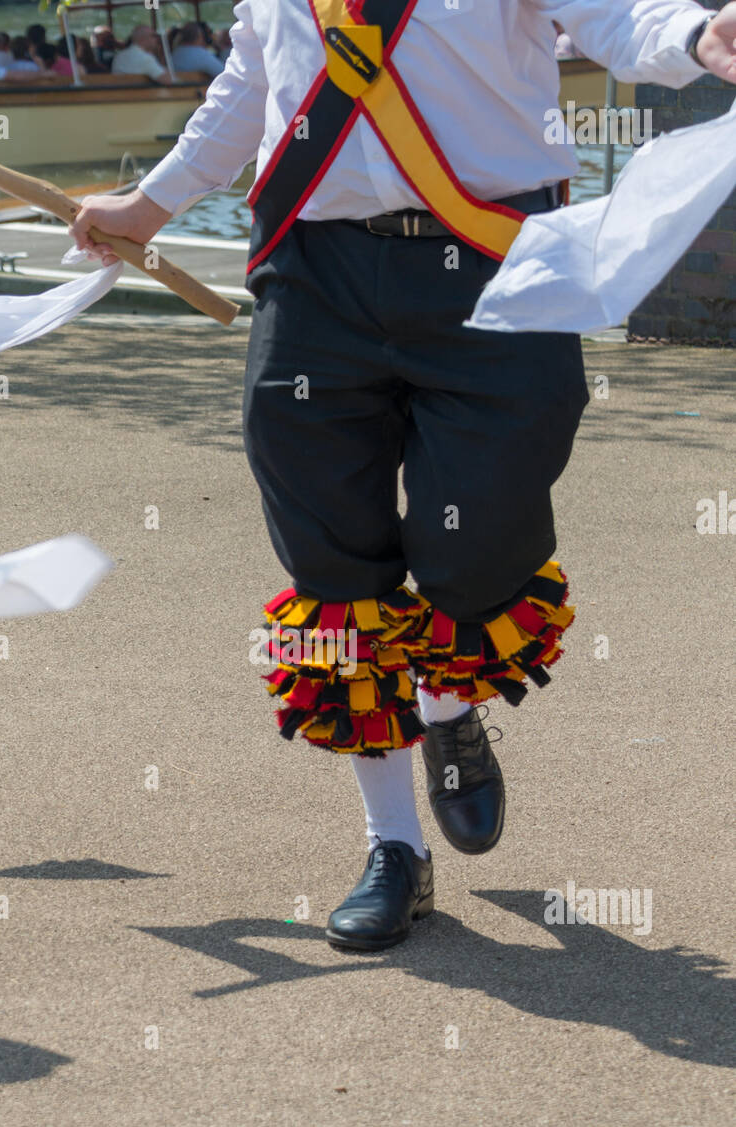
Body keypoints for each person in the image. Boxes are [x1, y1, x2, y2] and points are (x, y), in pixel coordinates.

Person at [72, 1, 733, 953]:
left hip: (499, 264)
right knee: (331, 563)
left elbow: (613, 13)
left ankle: (447, 704)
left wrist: (696, 37)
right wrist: (151, 204)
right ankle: (392, 847)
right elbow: (253, 88)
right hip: (314, 272)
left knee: (477, 546)